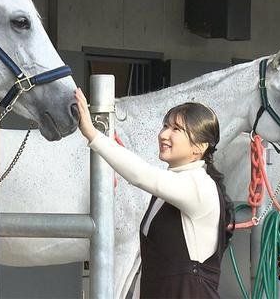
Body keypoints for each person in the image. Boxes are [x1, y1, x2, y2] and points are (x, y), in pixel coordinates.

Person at [75, 88, 234, 298]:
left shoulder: (200, 185)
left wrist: (93, 134)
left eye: (177, 129)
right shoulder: (169, 187)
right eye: (165, 126)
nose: (164, 134)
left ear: (200, 146)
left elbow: (141, 175)